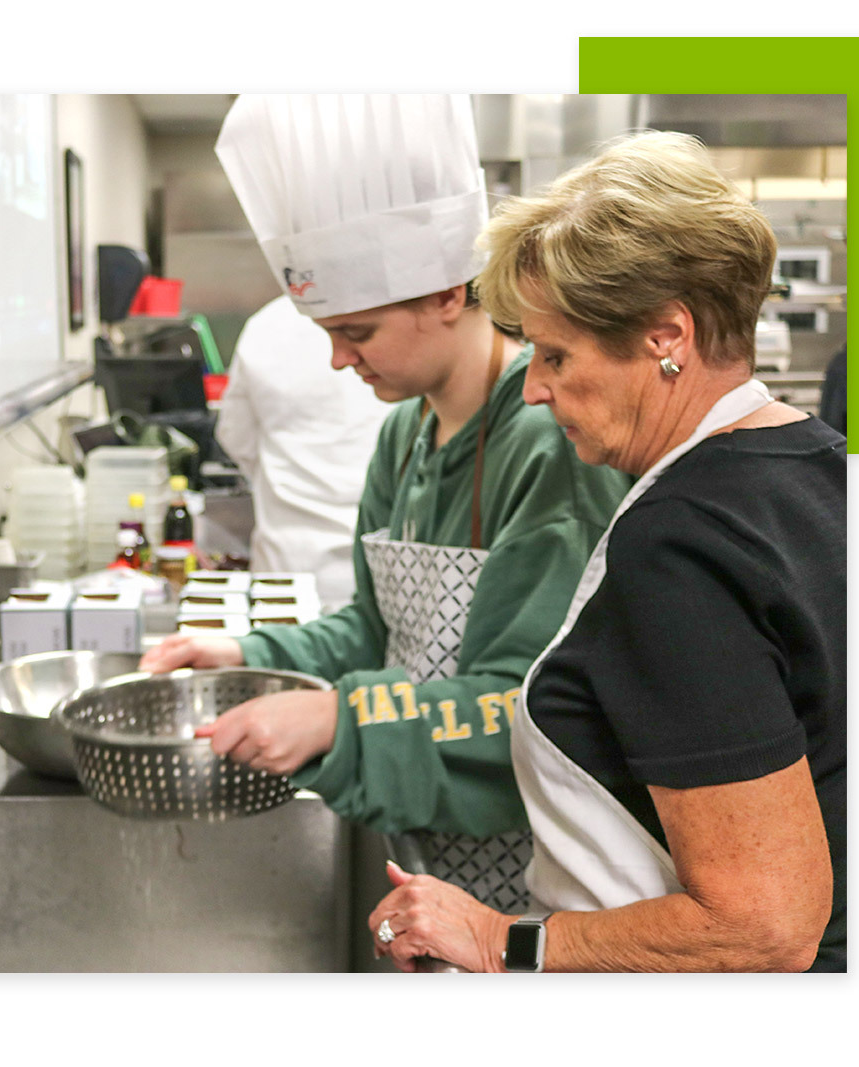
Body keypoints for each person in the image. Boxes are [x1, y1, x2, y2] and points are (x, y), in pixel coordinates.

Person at [367, 131, 846, 971]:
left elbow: (764, 926)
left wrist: (496, 938)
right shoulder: (821, 461)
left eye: (556, 354)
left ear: (667, 338)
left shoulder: (680, 544)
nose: (536, 384)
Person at [139, 95, 631, 842]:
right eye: (327, 334)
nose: (339, 358)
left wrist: (341, 720)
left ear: (444, 294)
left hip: (526, 863)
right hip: (423, 831)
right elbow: (376, 629)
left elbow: (534, 706)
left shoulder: (548, 443)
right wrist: (249, 654)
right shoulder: (406, 431)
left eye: (356, 331)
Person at [213, 294, 393, 613]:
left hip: (284, 569)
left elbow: (236, 436)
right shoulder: (392, 316)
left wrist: (281, 478)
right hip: (378, 571)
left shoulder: (269, 323)